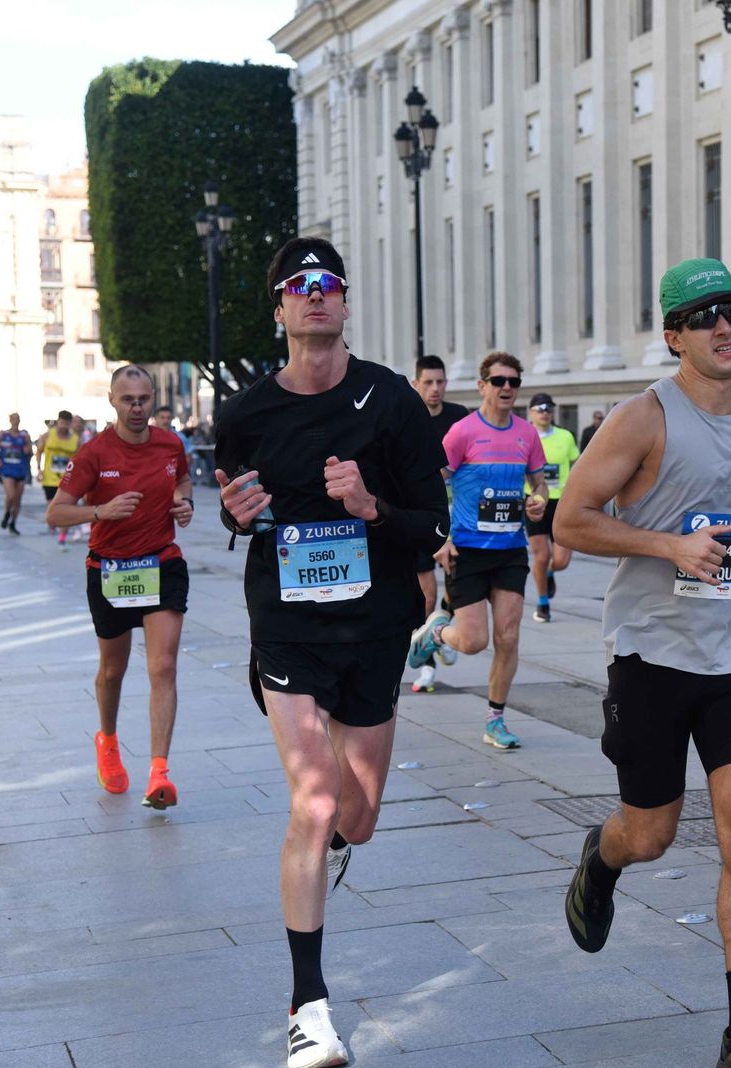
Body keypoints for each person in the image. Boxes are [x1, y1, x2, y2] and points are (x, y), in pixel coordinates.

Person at [553, 258, 731, 1068]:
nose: (724, 326)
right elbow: (571, 520)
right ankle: (600, 862)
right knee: (653, 834)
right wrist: (667, 543)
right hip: (653, 653)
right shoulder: (642, 420)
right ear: (673, 336)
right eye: (704, 315)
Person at [215, 238, 447, 1068]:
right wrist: (237, 515)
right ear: (278, 309)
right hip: (286, 626)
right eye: (298, 287)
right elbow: (238, 512)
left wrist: (370, 505)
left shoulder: (390, 401)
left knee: (357, 817)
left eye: (329, 285)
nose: (316, 297)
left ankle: (334, 849)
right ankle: (307, 1007)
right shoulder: (243, 414)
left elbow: (434, 524)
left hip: (374, 627)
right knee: (314, 804)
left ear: (345, 304)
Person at [48, 367, 192, 812]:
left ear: (153, 400)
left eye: (144, 399)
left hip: (162, 563)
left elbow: (181, 480)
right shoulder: (93, 453)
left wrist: (183, 503)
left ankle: (159, 773)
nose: (137, 408)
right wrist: (101, 511)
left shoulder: (170, 444)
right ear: (112, 400)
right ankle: (108, 742)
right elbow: (56, 513)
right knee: (113, 671)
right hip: (110, 571)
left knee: (163, 666)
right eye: (128, 399)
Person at [407, 352, 547, 750]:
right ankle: (436, 631)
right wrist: (439, 539)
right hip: (467, 549)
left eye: (513, 382)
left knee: (508, 636)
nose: (507, 388)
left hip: (510, 551)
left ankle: (495, 720)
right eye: (499, 381)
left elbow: (538, 485)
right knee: (473, 641)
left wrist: (537, 500)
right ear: (482, 385)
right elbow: (430, 485)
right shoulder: (463, 432)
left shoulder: (527, 434)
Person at [409, 355, 468, 694]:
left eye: (440, 382)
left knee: (458, 590)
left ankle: (439, 627)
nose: (435, 389)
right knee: (426, 595)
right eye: (428, 382)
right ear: (416, 383)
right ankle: (428, 663)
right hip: (420, 519)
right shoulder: (408, 417)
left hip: (456, 520)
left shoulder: (459, 418)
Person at [525, 392, 580, 623]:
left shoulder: (565, 436)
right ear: (531, 413)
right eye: (540, 408)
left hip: (561, 502)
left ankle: (548, 573)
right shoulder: (525, 436)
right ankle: (543, 603)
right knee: (541, 554)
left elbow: (576, 464)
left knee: (561, 561)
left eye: (549, 408)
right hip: (535, 501)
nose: (545, 412)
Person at [37, 410, 81, 544]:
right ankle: (53, 522)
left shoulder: (75, 440)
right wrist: (39, 469)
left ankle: (62, 537)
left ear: (70, 423)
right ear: (58, 421)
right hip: (49, 478)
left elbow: (79, 459)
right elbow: (39, 451)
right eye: (61, 422)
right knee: (53, 508)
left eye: (66, 423)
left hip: (67, 479)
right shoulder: (47, 436)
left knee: (66, 508)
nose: (63, 426)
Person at [0, 413, 33, 534]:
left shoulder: (24, 435)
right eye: (13, 419)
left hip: (20, 469)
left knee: (18, 500)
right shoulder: (2, 434)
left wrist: (28, 451)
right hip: (7, 470)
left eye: (17, 419)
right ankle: (7, 513)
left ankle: (13, 522)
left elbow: (30, 451)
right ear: (10, 420)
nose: (15, 421)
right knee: (11, 495)